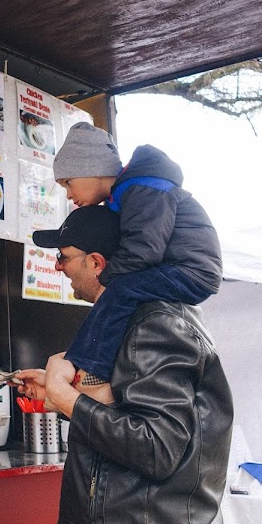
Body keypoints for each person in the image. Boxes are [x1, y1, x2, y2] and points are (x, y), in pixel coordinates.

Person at [18, 205, 233, 524]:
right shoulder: (128, 320)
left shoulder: (157, 324)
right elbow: (128, 405)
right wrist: (58, 394)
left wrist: (68, 397)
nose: (58, 267)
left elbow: (156, 448)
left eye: (63, 257)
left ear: (96, 262)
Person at [39, 121, 222, 403]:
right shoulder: (130, 193)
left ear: (91, 169)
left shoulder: (142, 189)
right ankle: (83, 366)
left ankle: (92, 372)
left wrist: (108, 278)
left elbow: (144, 249)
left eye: (68, 182)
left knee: (119, 292)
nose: (68, 194)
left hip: (191, 271)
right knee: (120, 293)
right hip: (180, 268)